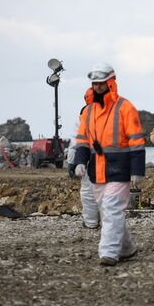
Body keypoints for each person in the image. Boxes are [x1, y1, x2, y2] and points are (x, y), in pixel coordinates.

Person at [74, 63, 146, 266]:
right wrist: (80, 161)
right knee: (108, 211)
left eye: (101, 83)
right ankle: (127, 248)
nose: (97, 87)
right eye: (94, 83)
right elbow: (82, 140)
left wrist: (137, 170)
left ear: (110, 82)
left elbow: (137, 140)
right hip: (97, 170)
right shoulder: (88, 112)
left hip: (120, 169)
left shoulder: (125, 108)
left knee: (112, 208)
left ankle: (109, 253)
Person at [67, 89, 99, 229]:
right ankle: (109, 223)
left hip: (90, 157)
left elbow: (76, 142)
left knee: (88, 191)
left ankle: (92, 222)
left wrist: (72, 162)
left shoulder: (83, 116)